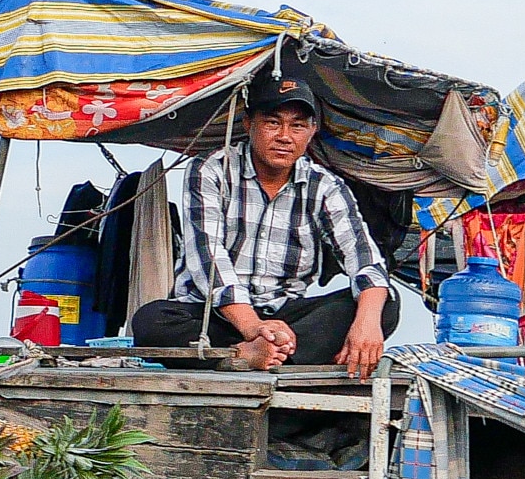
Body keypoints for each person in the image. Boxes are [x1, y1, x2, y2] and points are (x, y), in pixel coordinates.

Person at [127, 74, 397, 374]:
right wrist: (253, 327)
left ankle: (259, 357)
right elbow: (209, 259)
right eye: (273, 122)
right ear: (249, 124)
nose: (285, 136)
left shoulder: (325, 186)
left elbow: (365, 260)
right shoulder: (212, 169)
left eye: (297, 125)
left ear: (311, 132)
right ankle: (251, 354)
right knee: (151, 321)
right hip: (216, 317)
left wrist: (367, 324)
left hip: (287, 321)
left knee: (382, 304)